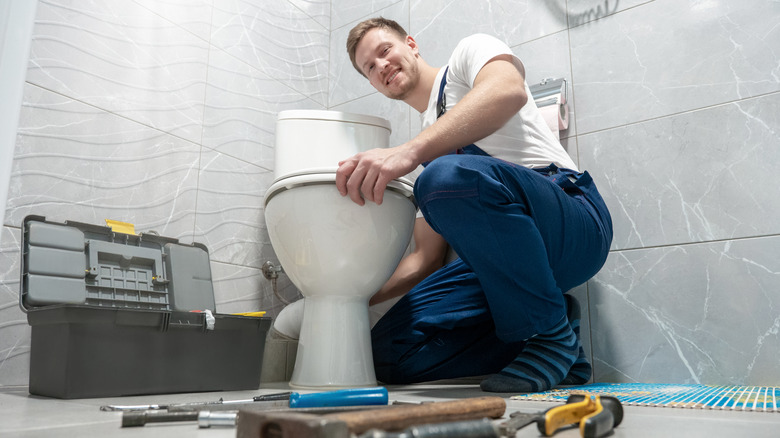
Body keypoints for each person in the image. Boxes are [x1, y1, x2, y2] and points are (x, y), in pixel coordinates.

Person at [336, 17, 613, 393]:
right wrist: (349, 296)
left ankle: (547, 335)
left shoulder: (467, 57)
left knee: (444, 178)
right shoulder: (427, 155)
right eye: (369, 67)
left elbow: (508, 90)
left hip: (572, 223)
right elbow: (424, 259)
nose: (381, 65)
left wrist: (410, 153)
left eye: (385, 51)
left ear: (411, 45)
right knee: (386, 352)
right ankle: (559, 333)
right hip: (499, 264)